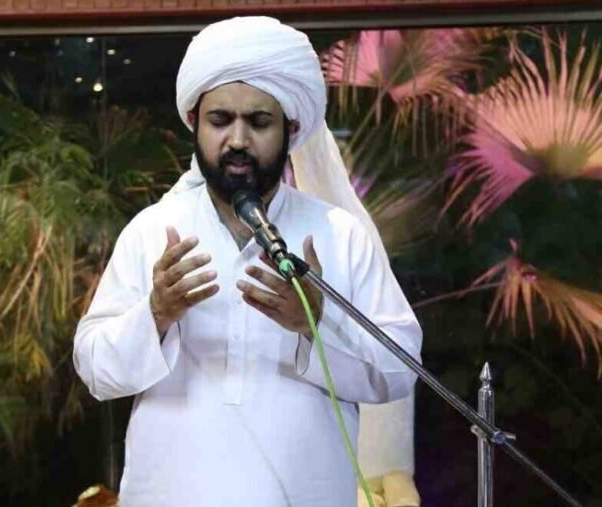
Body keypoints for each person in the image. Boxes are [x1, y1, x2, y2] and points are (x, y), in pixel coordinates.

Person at [73, 16, 423, 507]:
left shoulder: (340, 237)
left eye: (258, 122)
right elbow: (95, 369)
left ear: (291, 129)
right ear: (195, 122)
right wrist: (155, 314)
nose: (237, 139)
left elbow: (400, 369)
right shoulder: (153, 231)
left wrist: (315, 324)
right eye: (220, 120)